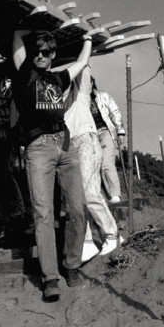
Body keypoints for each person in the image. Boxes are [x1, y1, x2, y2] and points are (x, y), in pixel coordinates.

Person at [10, 28, 92, 302]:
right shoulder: (25, 74)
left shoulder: (57, 78)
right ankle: (51, 278)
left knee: (78, 208)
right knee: (43, 214)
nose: (40, 56)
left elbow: (80, 64)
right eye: (36, 52)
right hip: (39, 147)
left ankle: (71, 265)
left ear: (53, 54)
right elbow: (18, 46)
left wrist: (88, 40)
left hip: (64, 143)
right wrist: (20, 30)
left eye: (46, 52)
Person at [65, 65, 122, 263]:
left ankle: (112, 235)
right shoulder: (61, 105)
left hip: (87, 141)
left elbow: (85, 69)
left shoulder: (81, 96)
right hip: (70, 145)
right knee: (76, 198)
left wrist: (85, 44)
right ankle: (87, 242)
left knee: (90, 193)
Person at [90, 76, 127, 204]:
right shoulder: (79, 101)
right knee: (95, 166)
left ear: (92, 83)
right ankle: (105, 197)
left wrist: (120, 131)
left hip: (106, 132)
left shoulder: (103, 96)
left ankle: (115, 194)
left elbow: (115, 113)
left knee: (106, 163)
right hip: (91, 136)